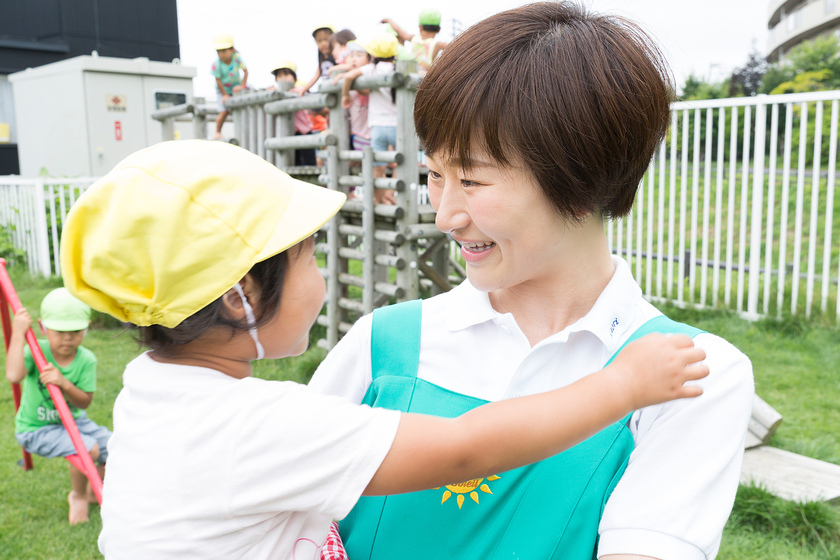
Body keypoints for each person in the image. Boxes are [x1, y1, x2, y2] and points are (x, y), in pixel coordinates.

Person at [59, 140, 708, 559]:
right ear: (239, 296)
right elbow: (466, 449)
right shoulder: (254, 425)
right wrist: (623, 386)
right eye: (308, 257)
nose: (319, 279)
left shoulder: (154, 390)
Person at [309, 3, 755, 560]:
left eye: (472, 180)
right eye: (434, 175)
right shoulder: (382, 345)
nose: (445, 214)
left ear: (585, 176)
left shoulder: (692, 376)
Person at [5, 288, 110, 525]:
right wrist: (19, 333)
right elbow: (13, 375)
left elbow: (84, 401)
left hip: (73, 421)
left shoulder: (86, 359)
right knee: (89, 449)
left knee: (110, 446)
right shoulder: (36, 352)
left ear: (86, 328)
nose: (67, 338)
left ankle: (97, 491)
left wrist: (64, 383)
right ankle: (79, 495)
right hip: (36, 429)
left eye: (74, 331)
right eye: (60, 332)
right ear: (43, 327)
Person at [338, 34, 399, 205]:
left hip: (377, 128)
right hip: (396, 126)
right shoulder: (398, 69)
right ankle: (390, 193)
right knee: (403, 161)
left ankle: (378, 200)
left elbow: (350, 77)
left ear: (373, 55)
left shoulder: (371, 69)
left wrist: (345, 96)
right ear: (395, 55)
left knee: (377, 167)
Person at [269, 60, 316, 166]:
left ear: (294, 77)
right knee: (293, 163)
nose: (283, 78)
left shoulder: (298, 90)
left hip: (304, 133)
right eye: (279, 76)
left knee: (309, 164)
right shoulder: (276, 94)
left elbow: (303, 92)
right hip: (288, 134)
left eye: (286, 74)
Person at [381, 9, 448, 72]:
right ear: (439, 29)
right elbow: (455, 47)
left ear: (420, 27)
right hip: (424, 79)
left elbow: (399, 31)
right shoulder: (437, 45)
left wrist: (389, 20)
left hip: (410, 75)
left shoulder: (414, 38)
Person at [210, 34, 248, 140]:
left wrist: (243, 85)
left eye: (224, 51)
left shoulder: (236, 58)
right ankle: (217, 132)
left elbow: (245, 71)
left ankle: (244, 132)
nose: (221, 54)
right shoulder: (216, 64)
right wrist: (225, 95)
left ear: (232, 49)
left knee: (244, 105)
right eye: (218, 51)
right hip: (222, 90)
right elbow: (218, 81)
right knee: (223, 110)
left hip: (236, 89)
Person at [292, 25, 335, 95]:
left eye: (326, 39)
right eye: (319, 41)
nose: (323, 43)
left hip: (337, 88)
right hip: (327, 90)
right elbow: (316, 76)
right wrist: (304, 89)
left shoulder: (337, 56)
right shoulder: (322, 60)